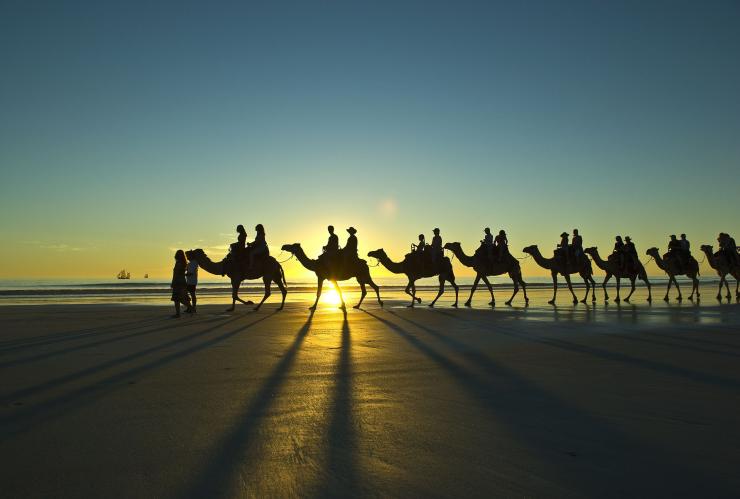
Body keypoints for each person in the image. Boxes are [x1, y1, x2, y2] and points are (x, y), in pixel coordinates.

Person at [171, 250, 192, 318]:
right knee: (183, 297)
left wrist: (173, 282)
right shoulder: (183, 263)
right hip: (182, 282)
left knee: (177, 298)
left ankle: (178, 314)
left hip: (178, 282)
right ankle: (190, 308)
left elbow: (176, 274)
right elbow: (181, 273)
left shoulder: (178, 263)